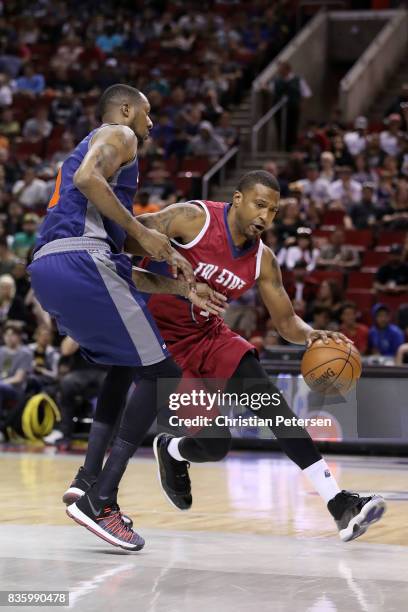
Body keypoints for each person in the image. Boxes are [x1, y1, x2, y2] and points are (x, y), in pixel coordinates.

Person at [134, 170, 385, 542]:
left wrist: (311, 334)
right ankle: (172, 448)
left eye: (273, 211)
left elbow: (285, 321)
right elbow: (128, 234)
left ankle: (339, 503)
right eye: (260, 205)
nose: (265, 217)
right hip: (163, 346)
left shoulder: (263, 260)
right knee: (215, 445)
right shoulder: (193, 219)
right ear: (238, 199)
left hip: (210, 336)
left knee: (272, 405)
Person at [28, 83, 224, 552]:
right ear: (123, 110)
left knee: (125, 362)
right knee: (162, 373)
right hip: (81, 262)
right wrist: (141, 230)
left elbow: (121, 270)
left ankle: (86, 478)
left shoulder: (102, 183)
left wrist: (182, 285)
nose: (151, 122)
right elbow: (87, 180)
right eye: (147, 112)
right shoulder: (119, 134)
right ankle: (101, 500)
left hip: (51, 268)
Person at [0, 323, 33, 425]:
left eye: (12, 335)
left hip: (16, 389)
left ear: (19, 337)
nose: (9, 338)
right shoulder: (1, 351)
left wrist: (1, 382)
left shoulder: (25, 353)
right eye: (6, 335)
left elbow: (18, 378)